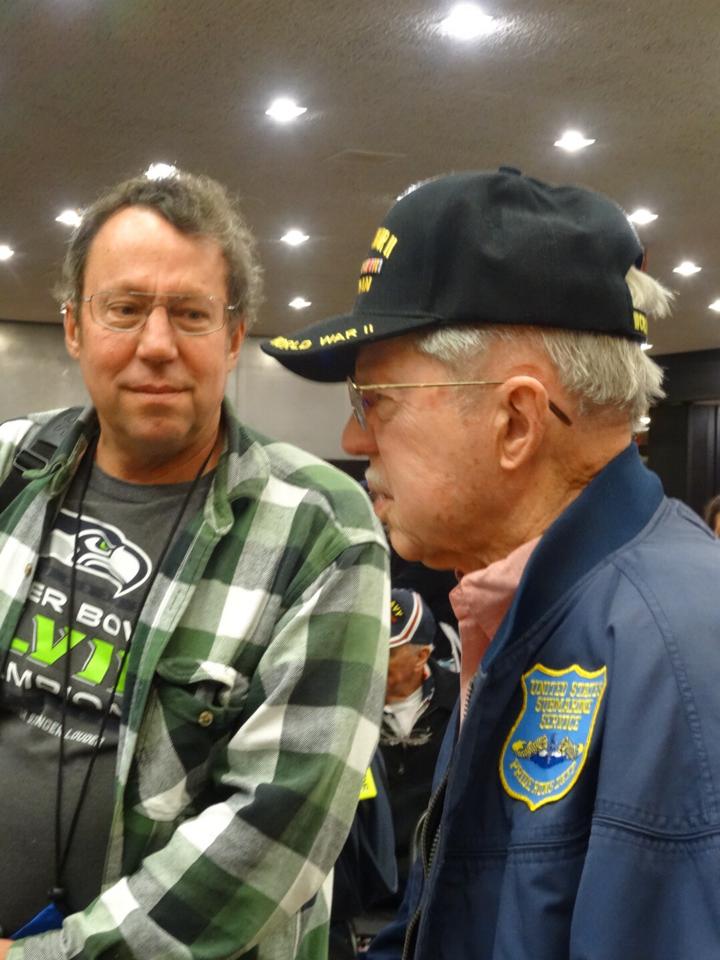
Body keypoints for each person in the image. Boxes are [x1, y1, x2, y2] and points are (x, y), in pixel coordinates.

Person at [262, 167, 720, 959]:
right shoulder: (519, 613)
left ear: (516, 420)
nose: (354, 441)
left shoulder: (673, 657)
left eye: (377, 399)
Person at [0, 170, 389, 960]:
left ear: (233, 336)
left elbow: (277, 833)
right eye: (125, 309)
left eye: (190, 314)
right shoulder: (10, 466)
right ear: (74, 326)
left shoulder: (321, 529)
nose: (156, 344)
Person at [379, 589, 458, 904]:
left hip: (430, 891)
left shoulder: (463, 705)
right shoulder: (344, 703)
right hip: (360, 892)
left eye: (387, 652)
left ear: (422, 656)